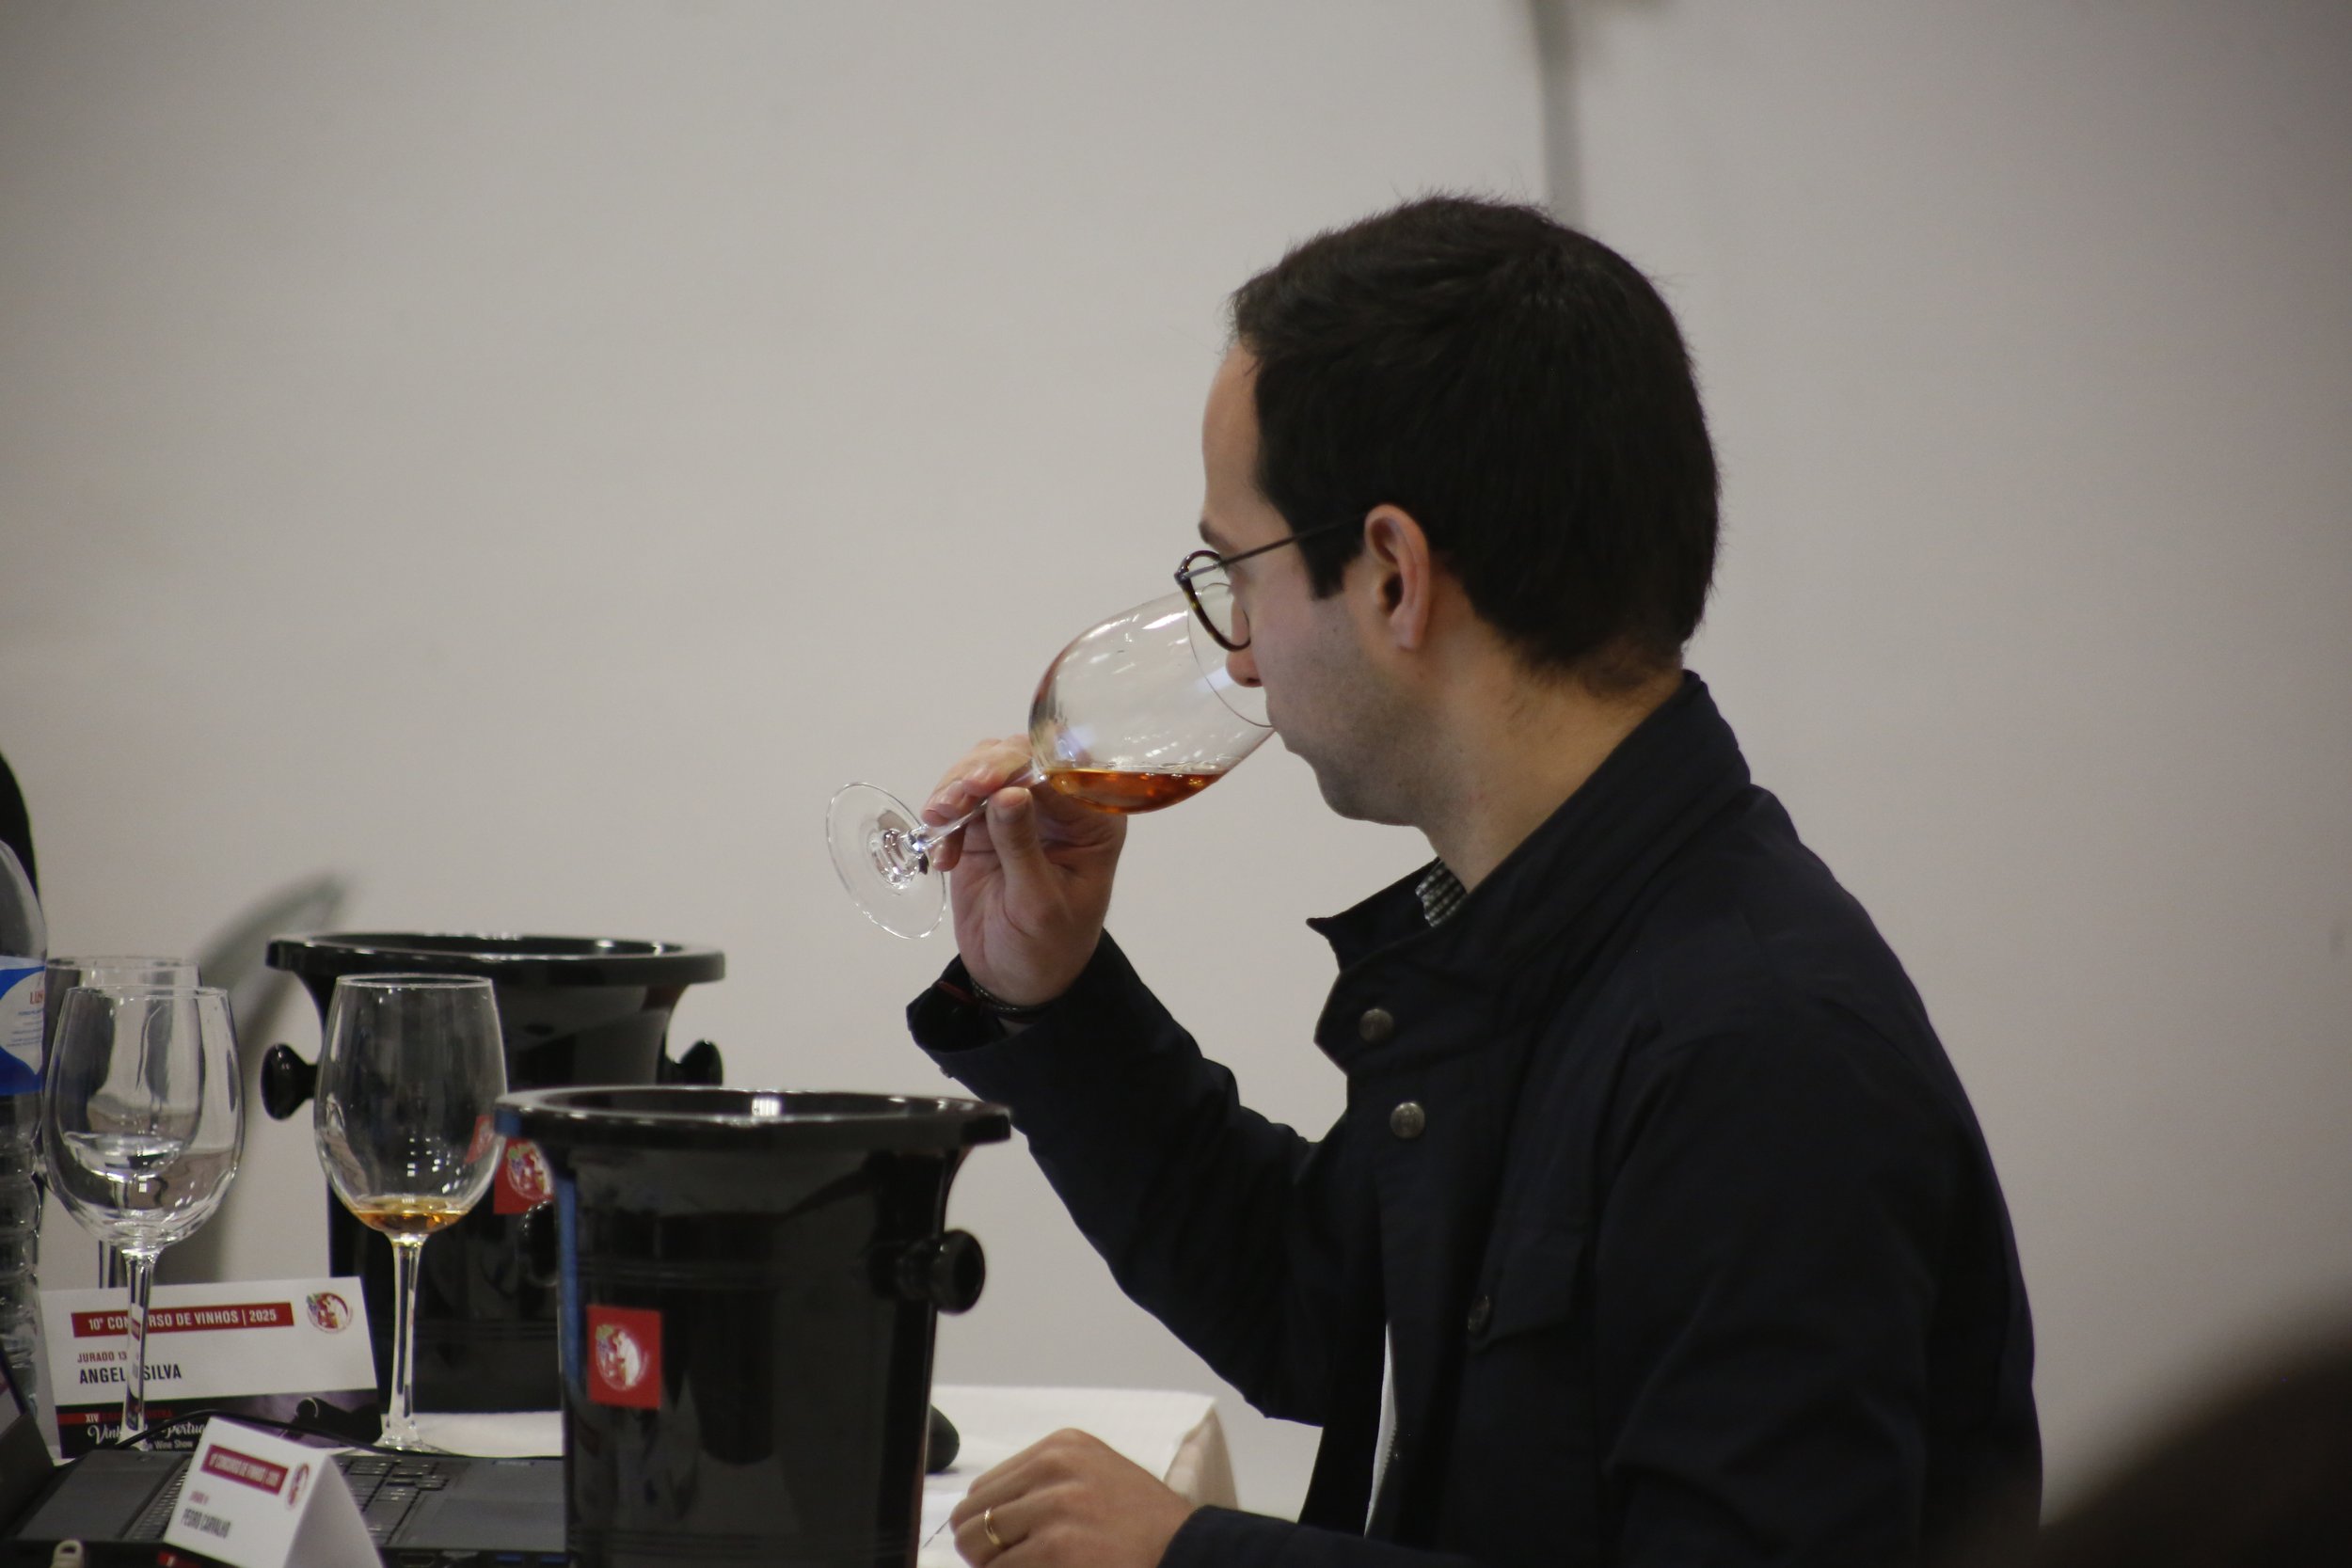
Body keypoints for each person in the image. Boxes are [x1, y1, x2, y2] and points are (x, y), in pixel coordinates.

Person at [907, 196, 2040, 1567]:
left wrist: (1193, 1558)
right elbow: (1323, 1308)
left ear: (1392, 574)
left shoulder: (1761, 1048)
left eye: (1235, 571)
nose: (1239, 652)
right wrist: (1057, 992)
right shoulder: (1564, 939)